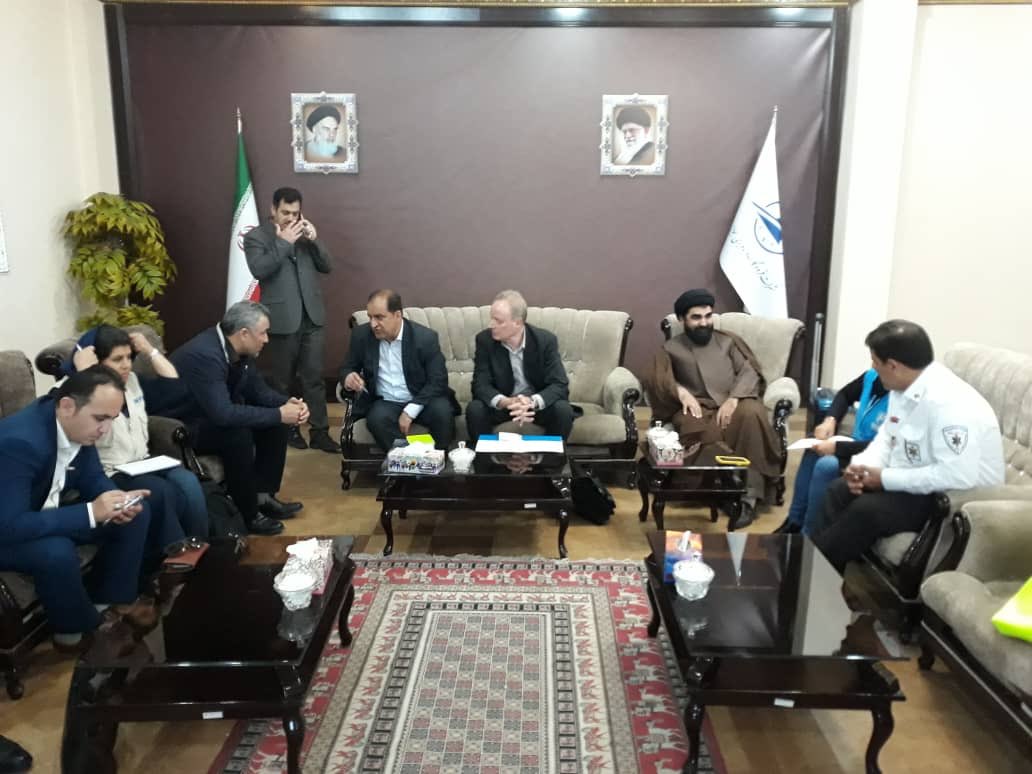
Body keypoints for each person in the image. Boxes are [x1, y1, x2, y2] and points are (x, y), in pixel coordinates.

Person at [811, 320, 1004, 573]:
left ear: (893, 366)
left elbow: (958, 475)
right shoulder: (902, 388)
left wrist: (885, 479)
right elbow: (886, 438)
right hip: (917, 482)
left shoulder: (950, 404)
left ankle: (814, 574)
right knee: (838, 490)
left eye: (875, 362)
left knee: (866, 511)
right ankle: (826, 573)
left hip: (953, 498)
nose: (872, 368)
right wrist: (861, 468)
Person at [0, 367, 157, 654]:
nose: (105, 429)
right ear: (67, 406)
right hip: (7, 528)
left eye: (111, 419)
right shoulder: (20, 443)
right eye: (100, 419)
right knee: (55, 550)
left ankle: (107, 603)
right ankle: (74, 633)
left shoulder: (74, 425)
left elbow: (91, 476)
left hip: (39, 514)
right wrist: (91, 513)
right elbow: (9, 525)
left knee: (135, 513)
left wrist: (114, 498)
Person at [156, 301, 307, 536]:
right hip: (181, 425)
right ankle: (248, 514)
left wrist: (289, 405)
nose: (266, 339)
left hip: (208, 415)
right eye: (263, 333)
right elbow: (223, 414)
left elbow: (258, 392)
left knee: (276, 423)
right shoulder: (206, 355)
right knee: (237, 434)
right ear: (244, 333)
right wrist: (279, 413)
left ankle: (262, 496)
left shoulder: (239, 350)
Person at [642, 288, 782, 525]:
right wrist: (680, 391)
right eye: (696, 317)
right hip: (700, 409)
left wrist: (734, 398)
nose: (704, 323)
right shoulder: (672, 348)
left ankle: (748, 498)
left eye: (708, 316)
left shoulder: (728, 341)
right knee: (696, 429)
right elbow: (656, 378)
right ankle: (719, 490)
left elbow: (749, 371)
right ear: (682, 319)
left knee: (753, 414)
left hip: (736, 403)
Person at [65, 325, 208, 542]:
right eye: (117, 359)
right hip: (110, 471)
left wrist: (150, 350)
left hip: (142, 462)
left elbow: (175, 387)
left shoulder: (131, 381)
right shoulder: (74, 392)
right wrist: (86, 375)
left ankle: (201, 546)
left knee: (187, 480)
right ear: (96, 361)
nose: (126, 365)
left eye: (129, 357)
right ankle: (174, 552)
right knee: (162, 491)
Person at [244, 186, 338, 453]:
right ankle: (289, 430)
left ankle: (320, 432)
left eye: (295, 213)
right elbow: (259, 269)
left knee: (314, 377)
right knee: (282, 380)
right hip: (282, 318)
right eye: (285, 212)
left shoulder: (304, 235)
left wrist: (315, 240)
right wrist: (284, 242)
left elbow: (327, 266)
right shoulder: (256, 237)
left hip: (312, 317)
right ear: (273, 209)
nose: (291, 218)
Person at [339, 289, 458, 452]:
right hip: (386, 401)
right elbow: (347, 367)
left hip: (421, 399)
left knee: (442, 412)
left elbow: (438, 380)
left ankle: (439, 457)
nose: (373, 324)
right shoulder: (361, 336)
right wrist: (348, 377)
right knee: (376, 419)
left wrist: (410, 412)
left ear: (397, 315)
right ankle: (408, 459)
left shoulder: (424, 338)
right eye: (370, 317)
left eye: (379, 317)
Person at [774, 368, 888, 536]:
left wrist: (837, 448)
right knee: (814, 447)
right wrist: (830, 420)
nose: (873, 365)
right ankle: (793, 522)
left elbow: (886, 446)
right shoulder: (872, 376)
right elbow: (845, 395)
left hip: (876, 457)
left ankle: (809, 534)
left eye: (877, 361)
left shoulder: (903, 396)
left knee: (827, 465)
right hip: (854, 446)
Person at [467, 289, 576, 442]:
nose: (491, 325)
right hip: (504, 405)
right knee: (475, 409)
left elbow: (560, 384)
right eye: (491, 319)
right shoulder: (485, 340)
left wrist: (531, 402)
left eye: (498, 321)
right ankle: (487, 456)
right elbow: (480, 385)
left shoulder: (545, 341)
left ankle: (549, 456)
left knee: (563, 410)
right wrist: (508, 402)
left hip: (535, 406)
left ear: (517, 323)